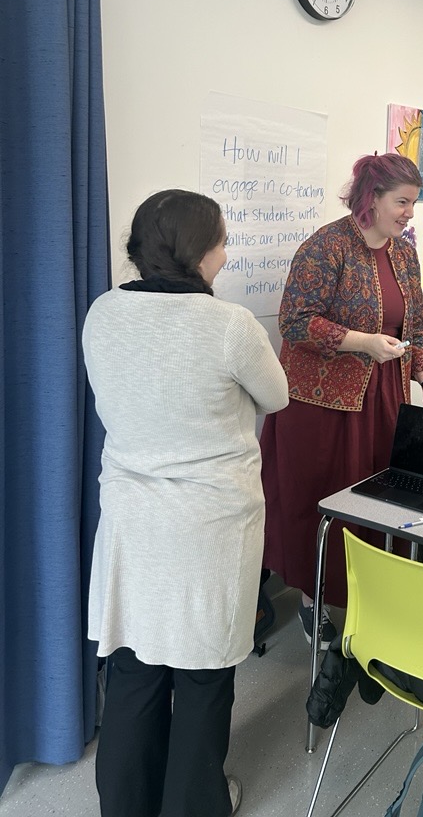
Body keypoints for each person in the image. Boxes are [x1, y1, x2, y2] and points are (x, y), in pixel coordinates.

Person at [83, 189, 289, 817]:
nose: (226, 253)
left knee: (134, 668)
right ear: (199, 252)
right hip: (209, 528)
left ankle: (125, 804)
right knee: (202, 676)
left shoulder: (102, 312)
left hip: (130, 521)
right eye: (222, 241)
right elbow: (276, 396)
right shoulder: (228, 326)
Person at [260, 152, 423, 647]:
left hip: (384, 394)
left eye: (413, 203)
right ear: (372, 199)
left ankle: (371, 595)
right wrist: (361, 341)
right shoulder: (327, 247)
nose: (410, 213)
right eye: (403, 203)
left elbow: (416, 325)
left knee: (378, 500)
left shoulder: (403, 252)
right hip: (324, 404)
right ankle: (312, 600)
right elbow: (295, 321)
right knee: (321, 501)